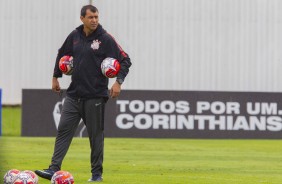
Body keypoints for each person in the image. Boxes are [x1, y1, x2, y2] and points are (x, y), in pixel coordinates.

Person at [35, 5, 131, 182]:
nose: (94, 20)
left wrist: (118, 82)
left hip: (95, 96)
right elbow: (61, 53)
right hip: (73, 96)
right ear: (82, 19)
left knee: (95, 137)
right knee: (63, 130)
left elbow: (125, 60)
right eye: (90, 17)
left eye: (96, 17)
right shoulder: (74, 36)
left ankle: (96, 174)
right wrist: (55, 76)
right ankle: (53, 169)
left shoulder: (105, 39)